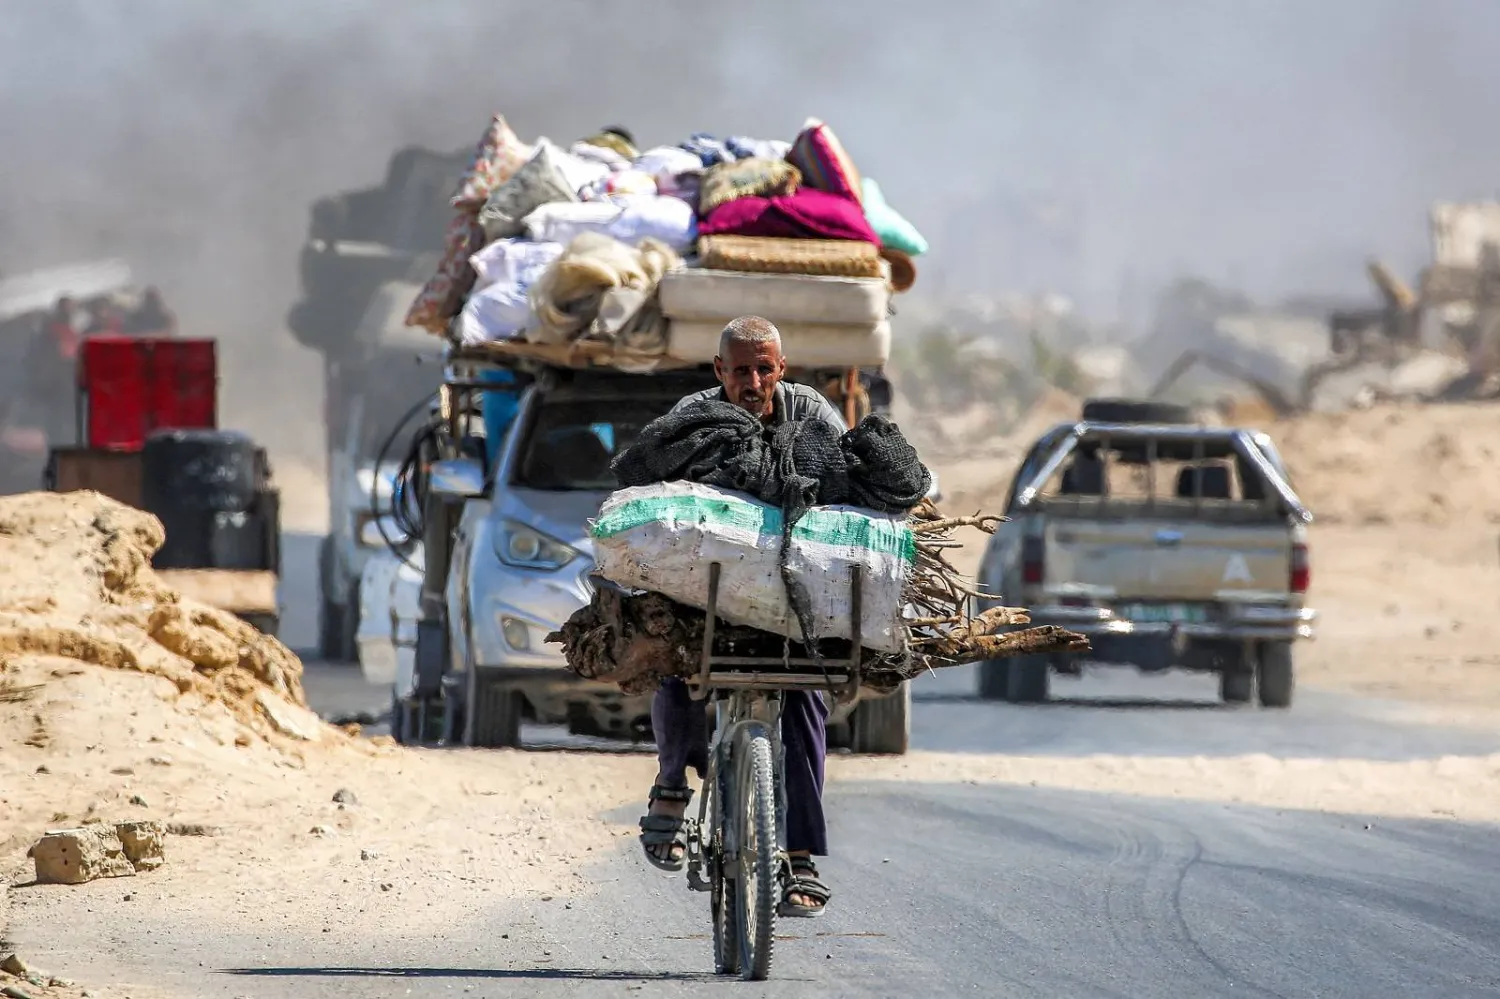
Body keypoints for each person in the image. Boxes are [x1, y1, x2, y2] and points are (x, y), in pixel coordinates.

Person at [638, 315, 842, 919]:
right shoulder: (692, 416)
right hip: (708, 596)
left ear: (782, 369)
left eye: (764, 369)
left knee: (807, 700)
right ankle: (672, 785)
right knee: (674, 663)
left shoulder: (814, 416)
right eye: (740, 370)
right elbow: (657, 496)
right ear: (719, 371)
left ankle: (800, 854)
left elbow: (846, 490)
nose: (752, 381)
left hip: (791, 601)